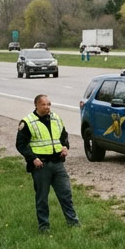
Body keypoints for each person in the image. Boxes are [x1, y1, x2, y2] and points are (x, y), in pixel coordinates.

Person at [16, 94, 80, 232]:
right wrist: (32, 158)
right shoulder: (28, 122)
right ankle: (44, 227)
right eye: (44, 104)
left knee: (66, 194)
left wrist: (65, 147)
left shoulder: (56, 118)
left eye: (49, 104)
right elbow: (21, 145)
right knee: (42, 199)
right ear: (36, 105)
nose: (47, 107)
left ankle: (73, 223)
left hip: (57, 164)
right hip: (41, 166)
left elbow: (63, 136)